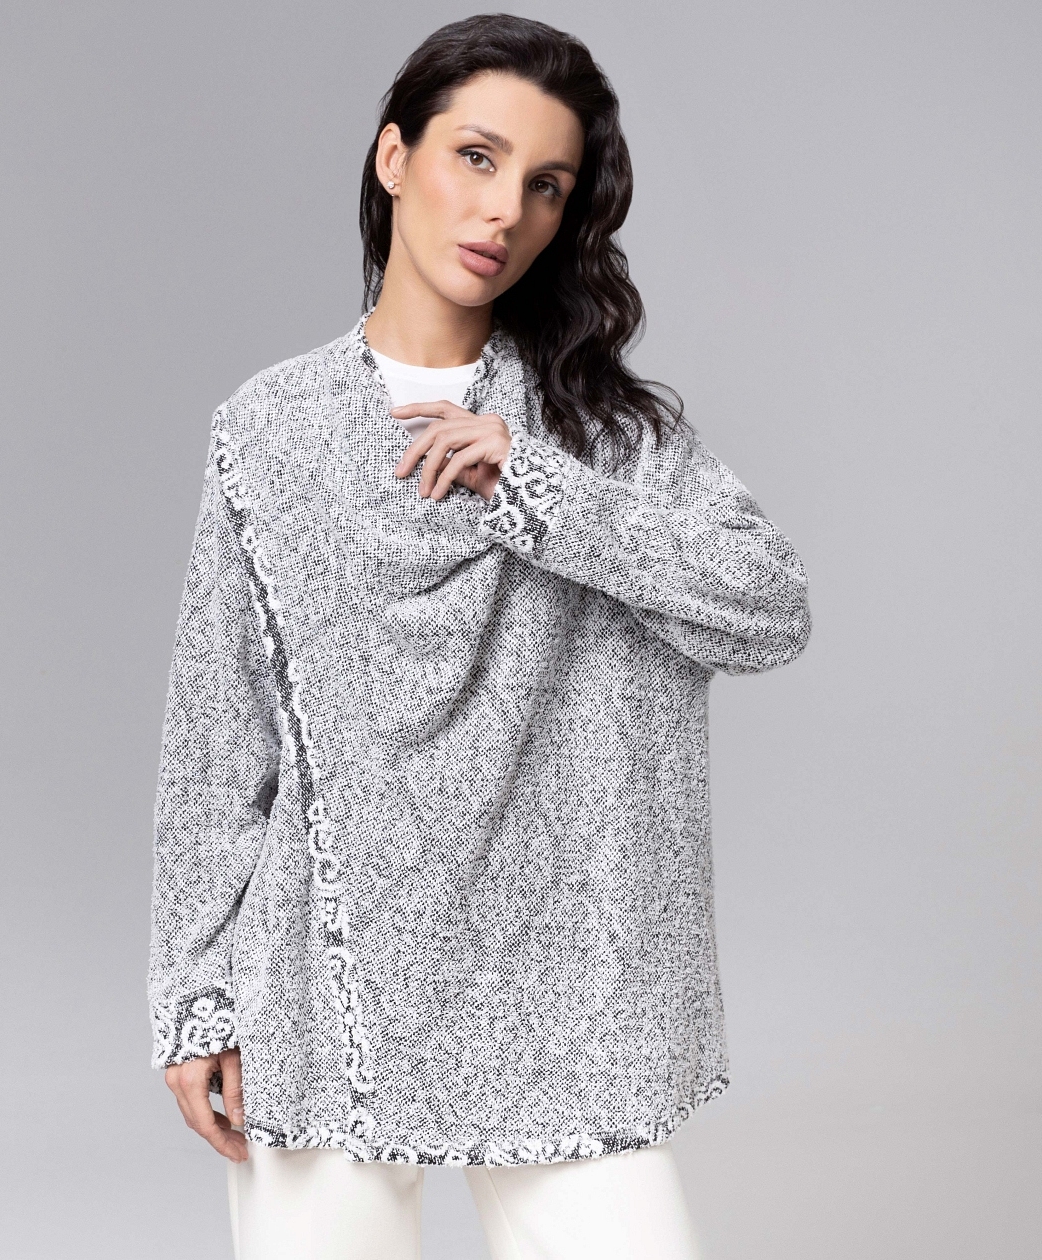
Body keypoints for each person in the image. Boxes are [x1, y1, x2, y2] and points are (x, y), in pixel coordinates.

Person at [147, 13, 811, 1259]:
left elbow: (769, 609)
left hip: (569, 994)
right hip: (329, 996)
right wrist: (195, 998)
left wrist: (540, 492)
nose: (505, 209)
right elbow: (217, 744)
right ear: (394, 157)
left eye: (546, 185)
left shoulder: (602, 434)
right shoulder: (269, 431)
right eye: (476, 156)